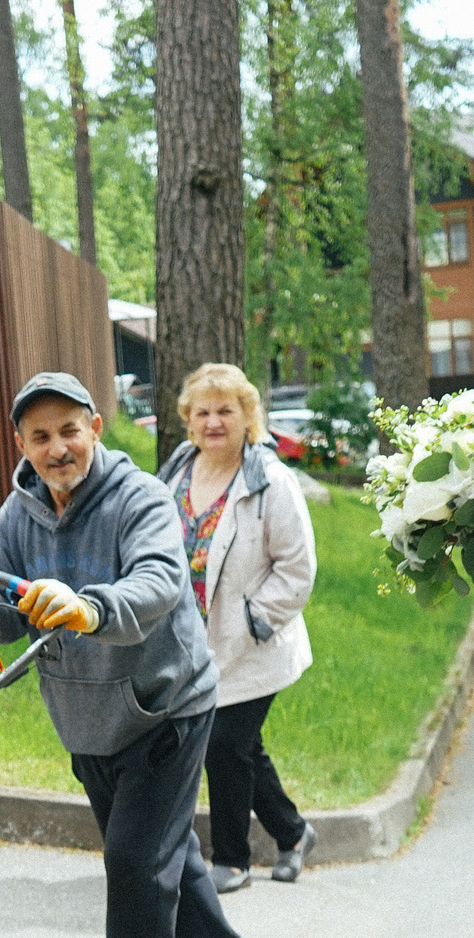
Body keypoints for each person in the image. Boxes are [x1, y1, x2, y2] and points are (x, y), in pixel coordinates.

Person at [0, 372, 261, 938]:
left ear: (95, 428)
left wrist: (90, 606)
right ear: (21, 444)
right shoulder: (18, 513)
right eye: (40, 436)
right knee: (163, 852)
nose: (57, 448)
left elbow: (158, 581)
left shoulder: (138, 497)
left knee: (134, 857)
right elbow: (0, 614)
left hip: (164, 704)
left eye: (68, 431)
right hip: (86, 716)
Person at [154, 363, 320, 891]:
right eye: (202, 412)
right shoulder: (176, 471)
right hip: (192, 645)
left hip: (253, 646)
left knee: (222, 746)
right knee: (241, 747)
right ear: (188, 420)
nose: (213, 422)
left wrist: (253, 623)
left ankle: (233, 859)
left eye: (225, 410)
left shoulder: (270, 480)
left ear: (248, 416)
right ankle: (293, 834)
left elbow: (297, 569)